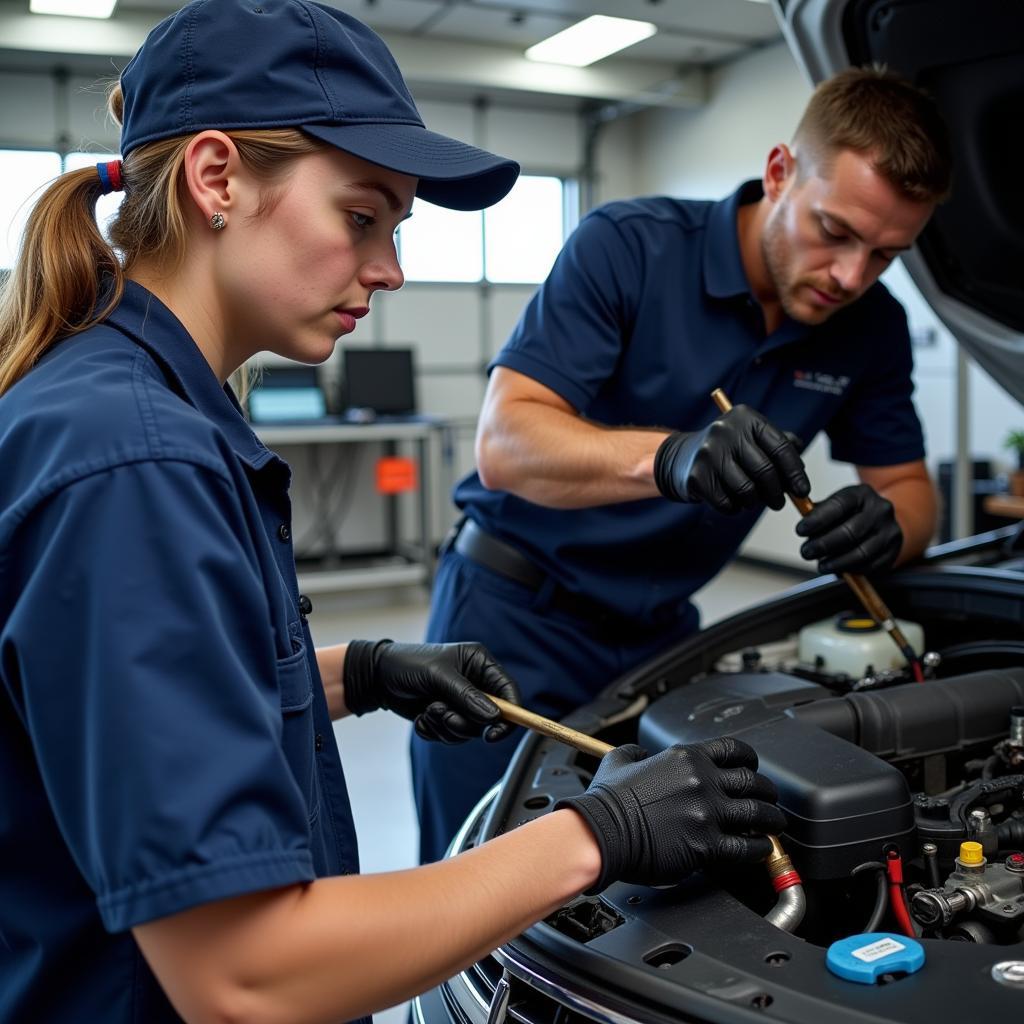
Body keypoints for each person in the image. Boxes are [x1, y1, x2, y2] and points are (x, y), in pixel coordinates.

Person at [0, 3, 789, 1022]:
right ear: (215, 178)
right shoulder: (136, 461)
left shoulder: (116, 401)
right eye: (360, 217)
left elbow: (115, 706)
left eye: (397, 229)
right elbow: (245, 973)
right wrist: (595, 834)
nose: (389, 268)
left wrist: (357, 674)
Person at [415, 66, 952, 863]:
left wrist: (890, 529)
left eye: (884, 255)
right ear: (779, 173)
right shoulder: (627, 248)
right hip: (512, 625)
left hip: (665, 643)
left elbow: (909, 492)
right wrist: (671, 458)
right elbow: (506, 444)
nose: (851, 275)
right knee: (476, 891)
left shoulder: (870, 327)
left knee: (649, 894)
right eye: (835, 232)